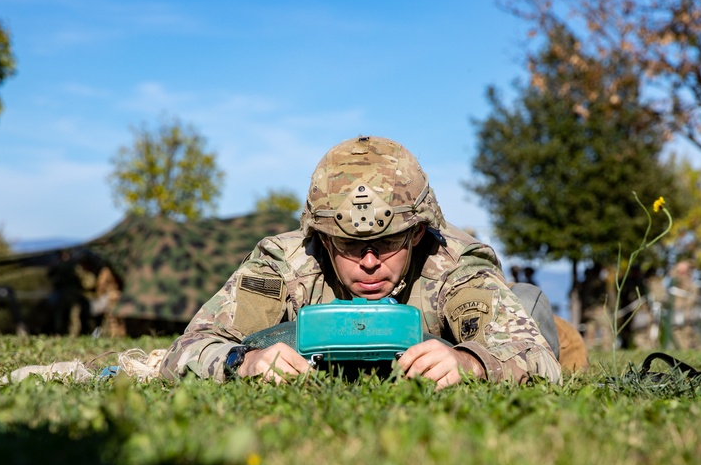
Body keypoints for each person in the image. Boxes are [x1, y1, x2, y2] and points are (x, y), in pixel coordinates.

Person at [160, 135, 562, 389]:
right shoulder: (285, 263)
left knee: (527, 304)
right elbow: (187, 348)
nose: (369, 263)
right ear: (321, 238)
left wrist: (469, 362)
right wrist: (244, 362)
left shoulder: (454, 264)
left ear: (417, 233)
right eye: (349, 247)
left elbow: (534, 355)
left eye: (387, 243)